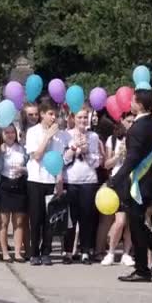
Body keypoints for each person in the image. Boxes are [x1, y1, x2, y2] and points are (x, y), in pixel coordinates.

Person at [109, 88, 152, 282]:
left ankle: (143, 269)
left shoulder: (138, 127)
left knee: (136, 226)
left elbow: (132, 159)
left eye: (133, 101)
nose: (130, 104)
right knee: (137, 224)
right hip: (150, 181)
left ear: (140, 104)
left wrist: (113, 181)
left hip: (139, 184)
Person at [25, 98, 70, 266]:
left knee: (50, 219)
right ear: (42, 114)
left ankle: (46, 251)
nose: (53, 118)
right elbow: (37, 155)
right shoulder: (33, 132)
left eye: (56, 115)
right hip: (36, 179)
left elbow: (58, 159)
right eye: (50, 114)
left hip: (51, 180)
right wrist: (47, 137)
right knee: (36, 218)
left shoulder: (60, 136)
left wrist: (59, 180)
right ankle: (34, 252)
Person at [63, 107, 100, 265]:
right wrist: (73, 148)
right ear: (73, 118)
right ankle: (67, 251)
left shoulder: (93, 136)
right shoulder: (66, 135)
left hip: (88, 181)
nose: (83, 121)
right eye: (80, 118)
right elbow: (63, 160)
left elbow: (97, 162)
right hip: (70, 180)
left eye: (85, 117)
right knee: (71, 218)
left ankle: (85, 250)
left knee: (86, 217)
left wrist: (86, 152)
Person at [100, 112, 135, 266]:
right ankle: (111, 252)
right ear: (122, 121)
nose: (132, 124)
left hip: (134, 180)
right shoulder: (113, 139)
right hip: (118, 181)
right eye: (129, 121)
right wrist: (118, 156)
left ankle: (127, 253)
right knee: (120, 220)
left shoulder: (137, 139)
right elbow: (106, 165)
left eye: (134, 121)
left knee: (131, 221)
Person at [0, 124, 27, 262]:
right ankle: (4, 252)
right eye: (6, 132)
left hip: (19, 185)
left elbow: (30, 166)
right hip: (4, 185)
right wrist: (0, 154)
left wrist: (23, 169)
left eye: (12, 132)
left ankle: (18, 252)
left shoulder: (22, 149)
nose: (10, 135)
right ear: (2, 135)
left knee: (18, 222)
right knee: (4, 222)